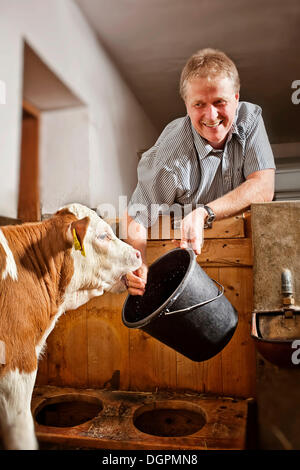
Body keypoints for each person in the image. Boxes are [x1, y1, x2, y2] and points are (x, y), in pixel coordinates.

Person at [122, 48, 276, 296]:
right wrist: (137, 263)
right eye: (199, 104)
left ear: (236, 98)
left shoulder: (250, 119)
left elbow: (263, 186)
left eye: (220, 102)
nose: (211, 115)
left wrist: (203, 213)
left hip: (253, 265)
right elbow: (136, 217)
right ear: (186, 105)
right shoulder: (169, 153)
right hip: (193, 275)